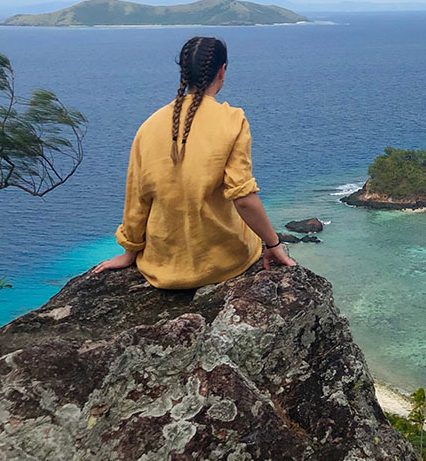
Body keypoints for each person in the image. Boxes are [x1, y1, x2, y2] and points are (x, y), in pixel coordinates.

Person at [92, 36, 295, 287]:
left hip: (161, 266)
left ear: (183, 72)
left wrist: (129, 253)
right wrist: (273, 244)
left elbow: (137, 197)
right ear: (222, 70)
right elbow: (243, 198)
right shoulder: (232, 120)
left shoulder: (149, 125)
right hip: (223, 263)